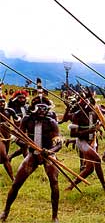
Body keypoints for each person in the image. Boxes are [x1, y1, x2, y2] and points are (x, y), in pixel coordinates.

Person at [0, 95, 62, 223]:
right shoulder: (27, 120)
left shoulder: (51, 122)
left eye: (44, 108)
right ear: (33, 108)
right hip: (32, 155)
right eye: (39, 108)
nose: (42, 111)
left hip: (48, 155)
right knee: (16, 183)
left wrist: (50, 151)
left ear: (48, 109)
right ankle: (5, 211)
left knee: (54, 182)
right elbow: (19, 138)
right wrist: (25, 144)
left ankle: (55, 216)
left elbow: (59, 143)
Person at [65, 90, 105, 192]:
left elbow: (103, 120)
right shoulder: (77, 115)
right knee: (97, 159)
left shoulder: (95, 113)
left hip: (92, 140)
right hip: (82, 142)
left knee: (89, 169)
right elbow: (73, 134)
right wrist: (89, 130)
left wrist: (104, 126)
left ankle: (71, 186)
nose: (90, 106)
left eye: (91, 103)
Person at [0, 94, 20, 181]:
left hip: (7, 135)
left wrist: (17, 130)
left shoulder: (9, 111)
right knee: (4, 157)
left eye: (3, 102)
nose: (1, 104)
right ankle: (13, 179)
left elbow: (17, 122)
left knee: (3, 157)